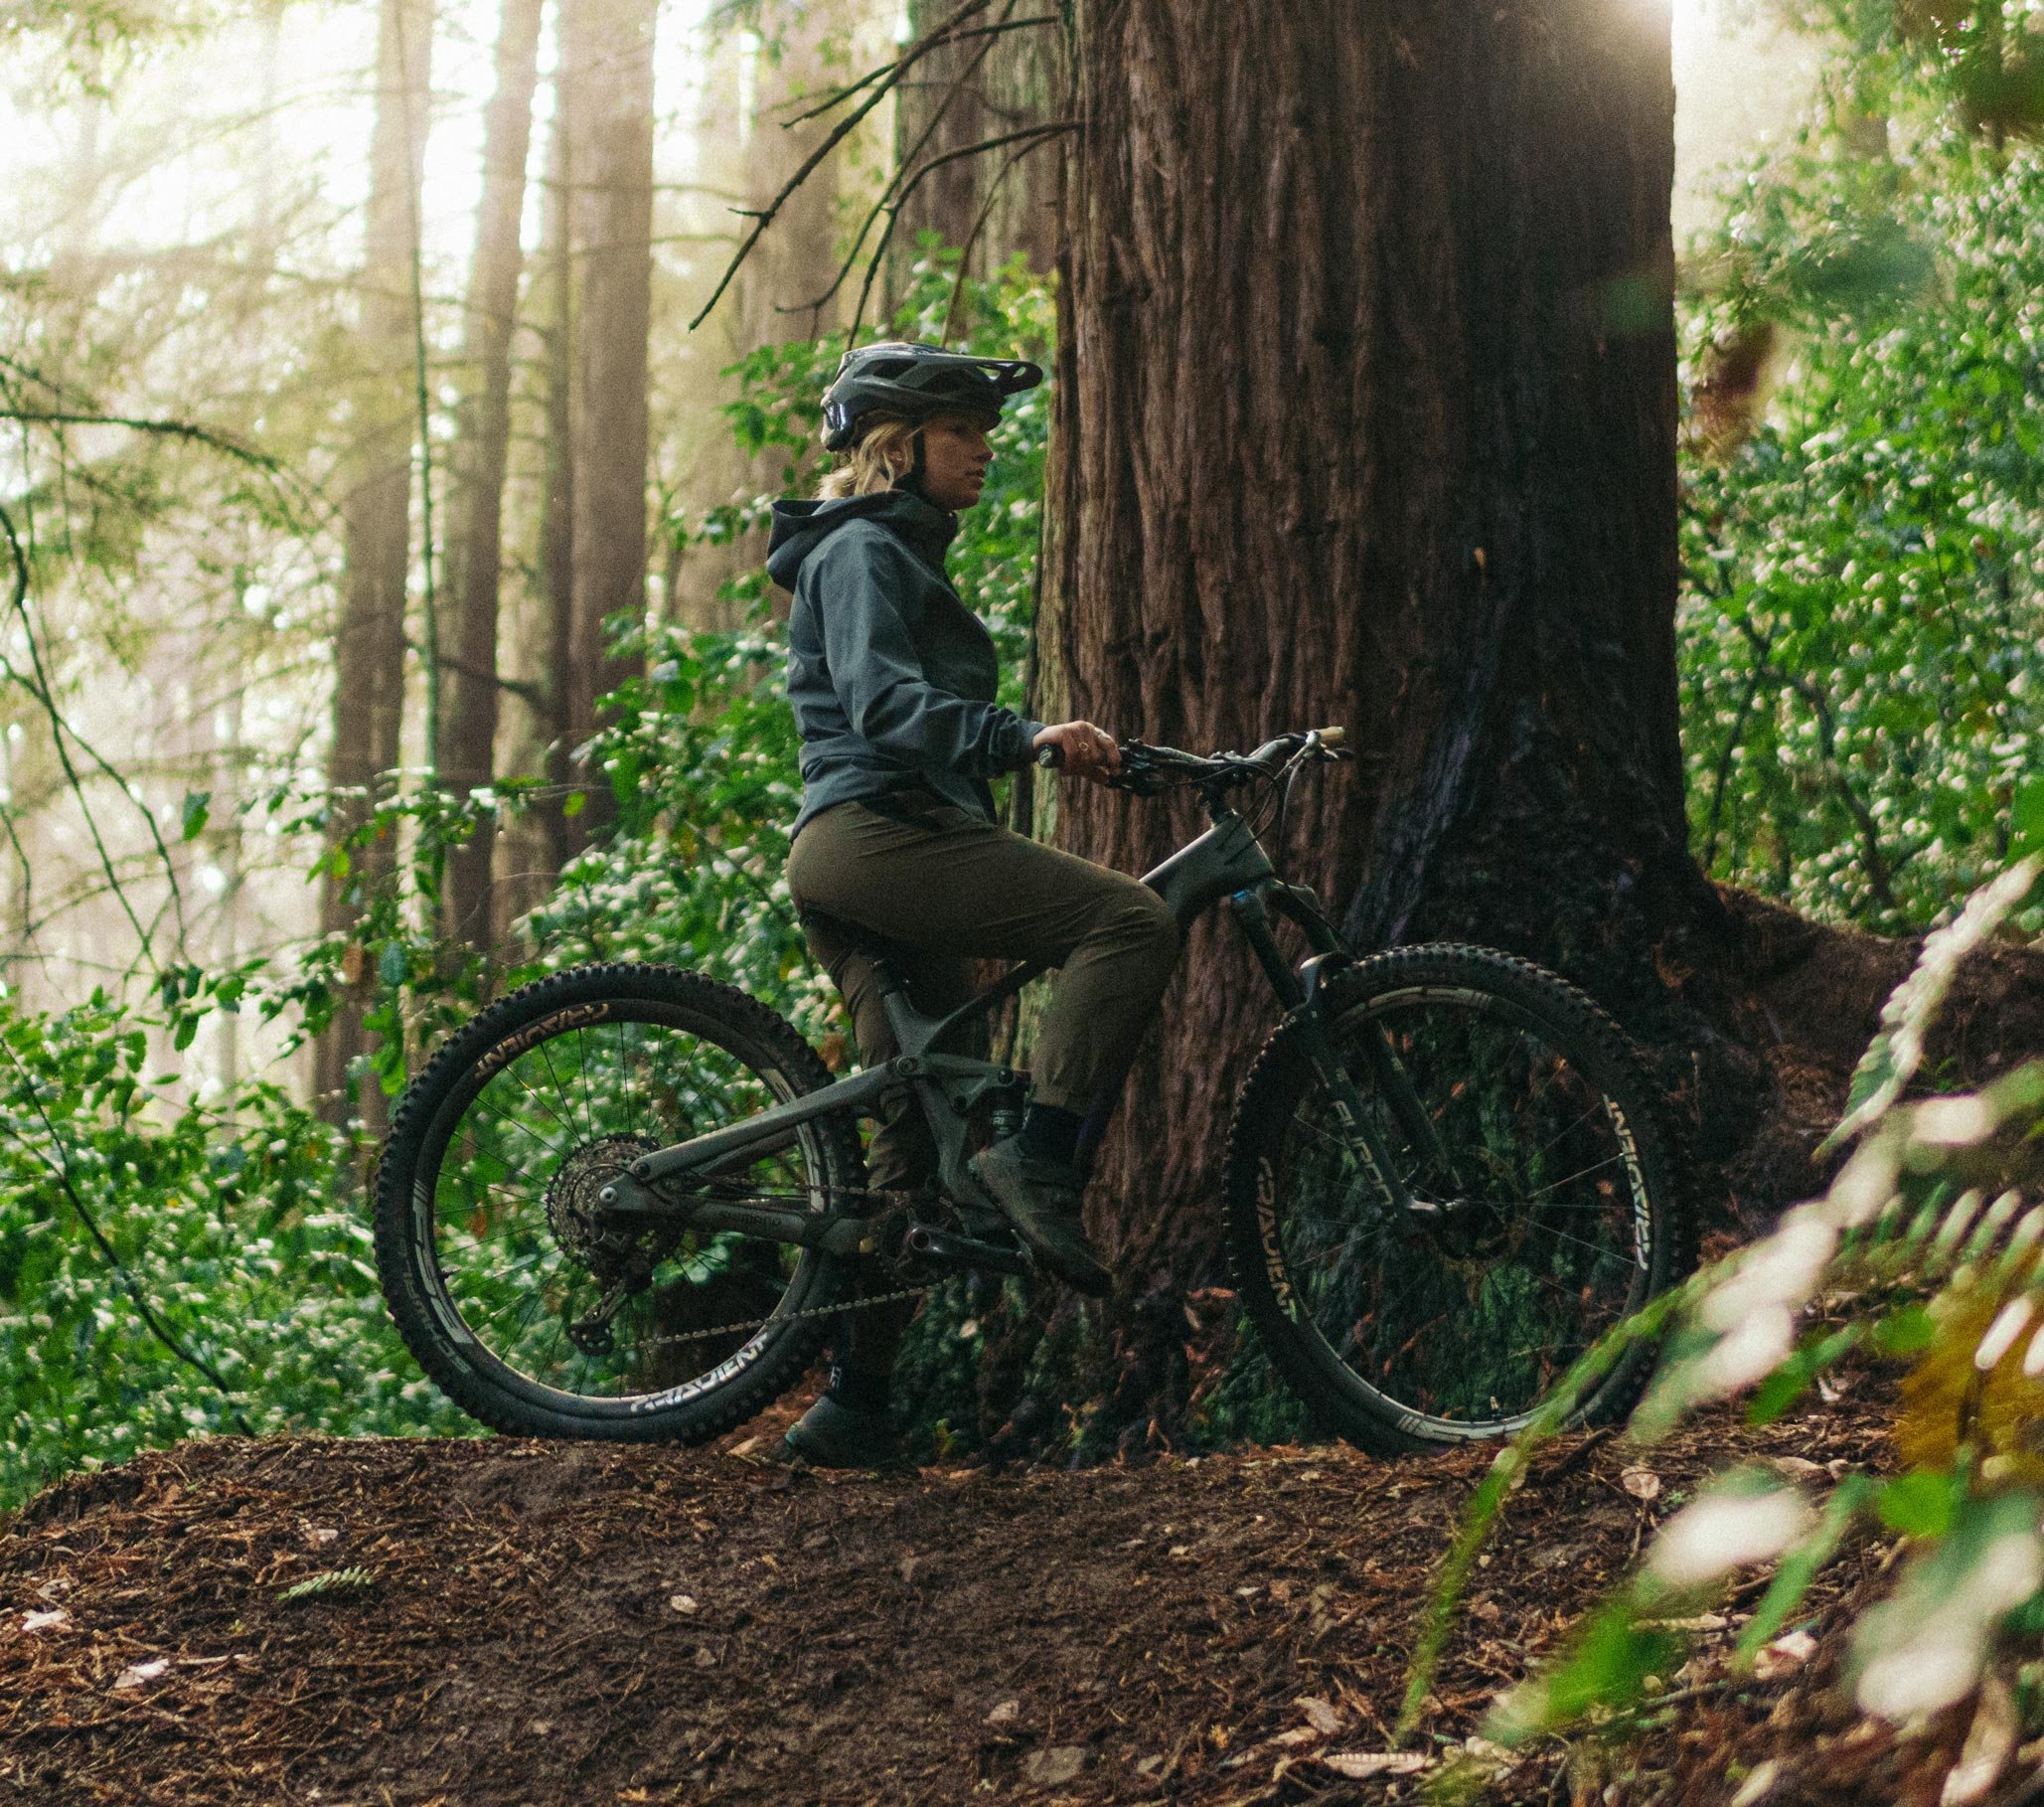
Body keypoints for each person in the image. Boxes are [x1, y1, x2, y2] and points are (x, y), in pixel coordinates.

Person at [765, 340, 1181, 1467]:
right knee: (1129, 920)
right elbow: (883, 703)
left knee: (914, 1150)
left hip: (868, 852)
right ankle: (1040, 1156)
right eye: (963, 432)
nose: (984, 451)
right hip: (879, 839)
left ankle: (852, 1405)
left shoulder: (885, 552)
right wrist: (1020, 737)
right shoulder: (857, 549)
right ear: (898, 446)